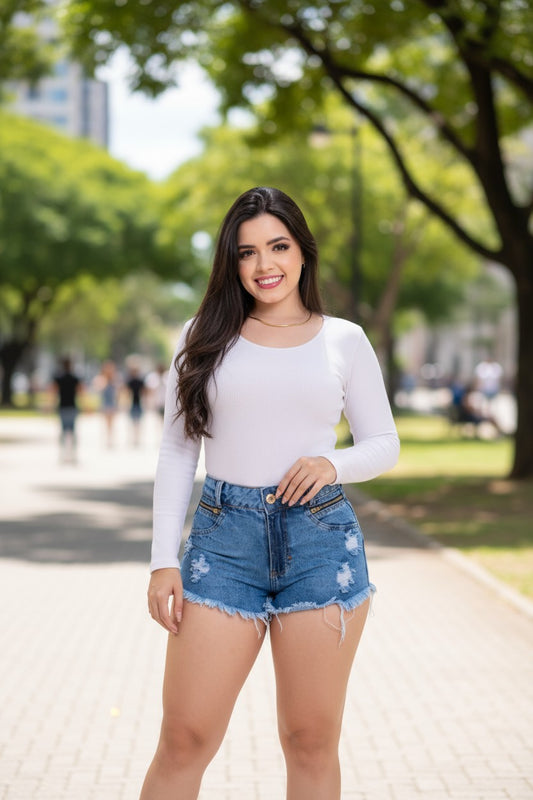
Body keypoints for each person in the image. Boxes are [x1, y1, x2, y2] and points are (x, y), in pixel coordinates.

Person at [140, 187, 400, 800]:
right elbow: (178, 451)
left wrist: (332, 464)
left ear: (303, 251)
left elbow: (384, 442)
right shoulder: (202, 336)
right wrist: (162, 560)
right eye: (247, 252)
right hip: (222, 546)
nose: (264, 265)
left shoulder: (344, 339)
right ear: (231, 262)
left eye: (278, 246)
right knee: (184, 738)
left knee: (310, 741)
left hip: (320, 543)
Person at [51, 357, 82, 463]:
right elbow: (80, 391)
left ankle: (63, 454)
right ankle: (73, 454)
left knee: (63, 432)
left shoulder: (59, 378)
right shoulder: (75, 378)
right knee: (72, 431)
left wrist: (51, 404)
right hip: (72, 407)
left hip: (63, 407)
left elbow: (53, 391)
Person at [94, 360, 120, 447]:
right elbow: (98, 389)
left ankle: (110, 439)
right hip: (105, 403)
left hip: (112, 404)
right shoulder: (101, 379)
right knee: (105, 423)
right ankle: (106, 439)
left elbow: (117, 392)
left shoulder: (114, 379)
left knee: (111, 423)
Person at [126, 365, 146, 446]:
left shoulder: (139, 381)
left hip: (138, 403)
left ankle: (136, 438)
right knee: (133, 422)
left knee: (138, 422)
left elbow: (143, 392)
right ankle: (134, 439)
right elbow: (127, 393)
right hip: (132, 403)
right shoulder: (130, 381)